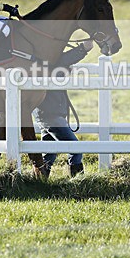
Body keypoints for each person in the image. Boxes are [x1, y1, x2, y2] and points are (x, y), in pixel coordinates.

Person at [33, 40, 94, 177]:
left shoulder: (41, 59)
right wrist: (83, 48)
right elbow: (65, 59)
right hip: (51, 114)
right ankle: (77, 179)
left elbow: (63, 61)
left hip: (46, 113)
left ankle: (39, 181)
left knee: (49, 152)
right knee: (75, 148)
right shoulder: (51, 60)